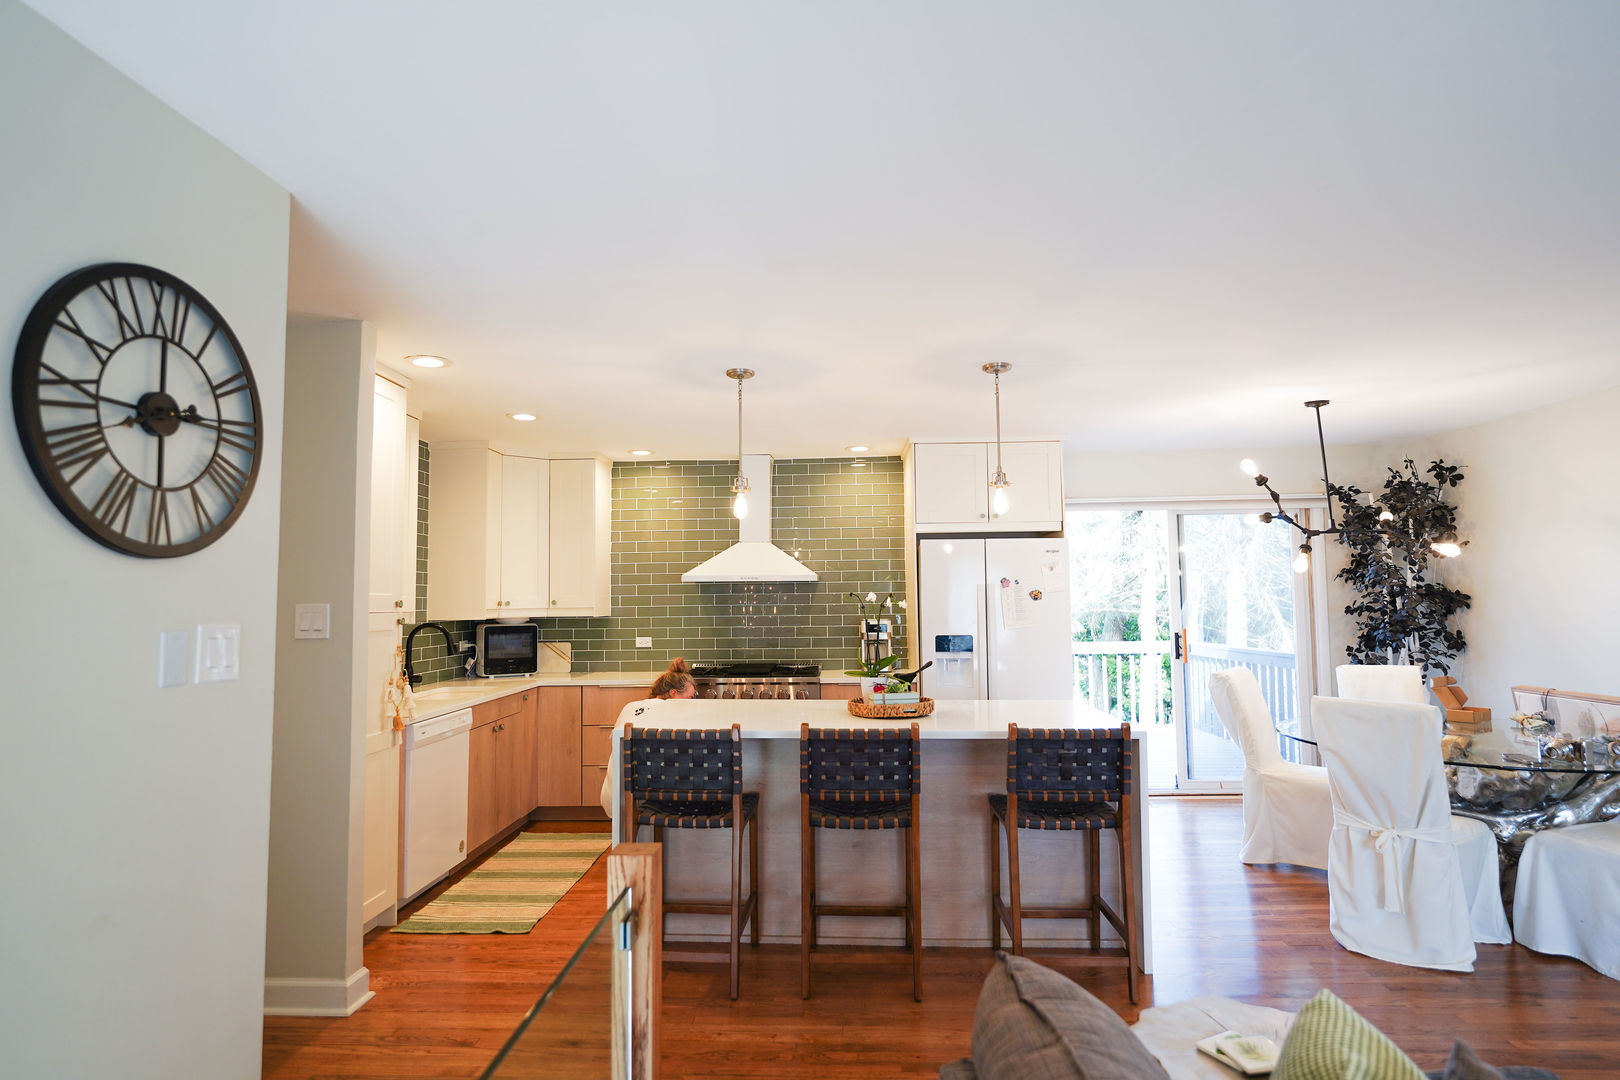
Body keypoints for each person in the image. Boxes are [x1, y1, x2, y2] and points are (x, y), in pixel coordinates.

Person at [601, 658, 697, 815]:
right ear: (673, 693)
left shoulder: (629, 707)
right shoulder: (673, 711)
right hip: (653, 793)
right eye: (690, 698)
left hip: (615, 793)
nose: (691, 703)